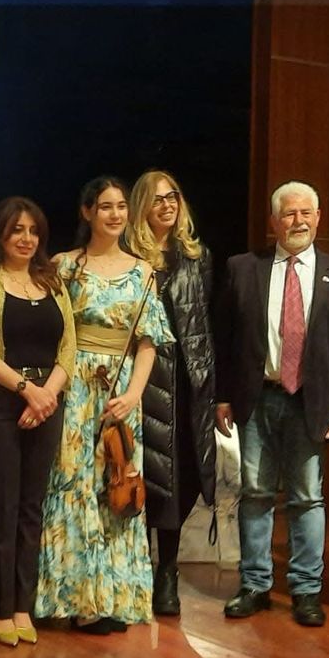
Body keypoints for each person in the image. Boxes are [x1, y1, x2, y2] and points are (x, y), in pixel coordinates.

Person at [212, 182, 329, 626]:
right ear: (273, 221)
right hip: (256, 400)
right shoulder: (243, 268)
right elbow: (223, 339)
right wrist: (222, 395)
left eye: (306, 213)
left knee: (307, 498)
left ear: (318, 218)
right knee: (255, 494)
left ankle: (306, 591)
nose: (298, 221)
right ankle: (255, 585)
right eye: (289, 213)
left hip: (312, 403)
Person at [38, 178, 171, 633]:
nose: (115, 215)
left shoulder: (143, 271)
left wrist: (134, 394)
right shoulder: (65, 266)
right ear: (87, 211)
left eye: (121, 207)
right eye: (106, 207)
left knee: (117, 486)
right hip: (75, 385)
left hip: (121, 390)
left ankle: (114, 597)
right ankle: (78, 601)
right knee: (73, 482)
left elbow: (149, 342)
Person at [0, 197, 76, 648]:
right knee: (1, 506)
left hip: (46, 402)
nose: (26, 239)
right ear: (0, 234)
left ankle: (23, 604)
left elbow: (69, 348)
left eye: (33, 231)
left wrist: (48, 393)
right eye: (17, 230)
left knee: (32, 507)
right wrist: (27, 389)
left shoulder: (52, 282)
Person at [129, 170, 216, 617]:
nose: (167, 205)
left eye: (173, 197)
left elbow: (206, 323)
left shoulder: (197, 257)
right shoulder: (127, 257)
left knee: (180, 478)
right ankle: (134, 569)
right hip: (139, 379)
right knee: (139, 474)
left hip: (186, 382)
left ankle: (167, 571)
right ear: (141, 207)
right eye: (157, 199)